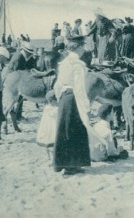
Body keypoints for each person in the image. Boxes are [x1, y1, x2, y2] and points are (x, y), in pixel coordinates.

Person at [53, 35, 92, 175]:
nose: (84, 50)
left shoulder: (64, 62)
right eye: (83, 47)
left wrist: (60, 98)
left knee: (63, 129)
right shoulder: (78, 65)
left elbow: (57, 84)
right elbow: (79, 87)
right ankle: (72, 165)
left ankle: (60, 163)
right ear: (79, 48)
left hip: (64, 96)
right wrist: (86, 106)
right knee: (75, 130)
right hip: (73, 97)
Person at [5, 41, 37, 128]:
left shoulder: (26, 56)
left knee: (20, 99)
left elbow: (30, 66)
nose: (30, 55)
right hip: (13, 80)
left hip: (21, 79)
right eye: (29, 53)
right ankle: (16, 117)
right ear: (25, 51)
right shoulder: (18, 57)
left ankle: (18, 115)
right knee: (15, 100)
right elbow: (16, 72)